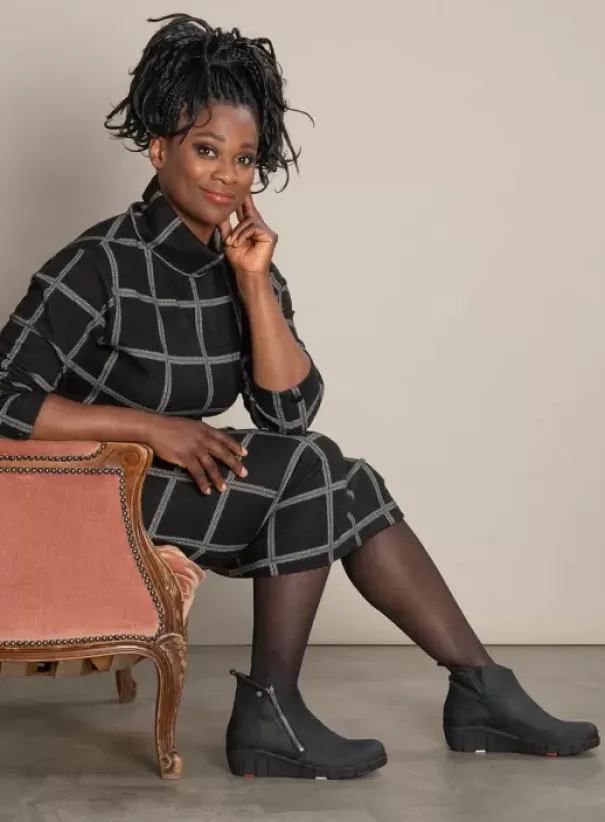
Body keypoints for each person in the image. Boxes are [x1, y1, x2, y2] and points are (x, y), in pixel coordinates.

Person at [0, 13, 598, 780]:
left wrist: (253, 284)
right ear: (159, 150)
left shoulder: (241, 260)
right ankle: (300, 707)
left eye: (245, 158)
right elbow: (5, 396)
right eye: (206, 149)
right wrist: (152, 428)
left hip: (170, 480)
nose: (226, 175)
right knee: (318, 469)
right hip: (83, 495)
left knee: (339, 476)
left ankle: (467, 689)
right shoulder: (98, 263)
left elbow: (288, 413)